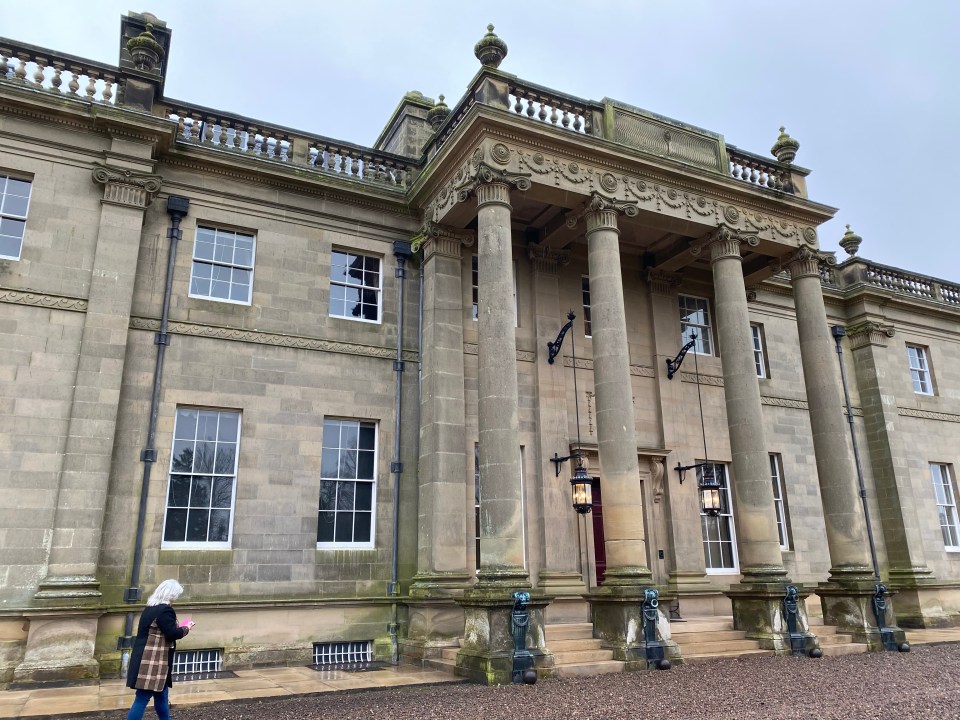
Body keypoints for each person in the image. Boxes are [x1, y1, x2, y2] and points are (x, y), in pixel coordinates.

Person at [126, 579, 195, 720]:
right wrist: (186, 628)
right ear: (171, 595)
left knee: (162, 696)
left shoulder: (151, 608)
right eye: (175, 596)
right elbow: (172, 633)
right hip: (152, 661)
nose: (175, 600)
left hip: (151, 659)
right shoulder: (164, 610)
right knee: (142, 698)